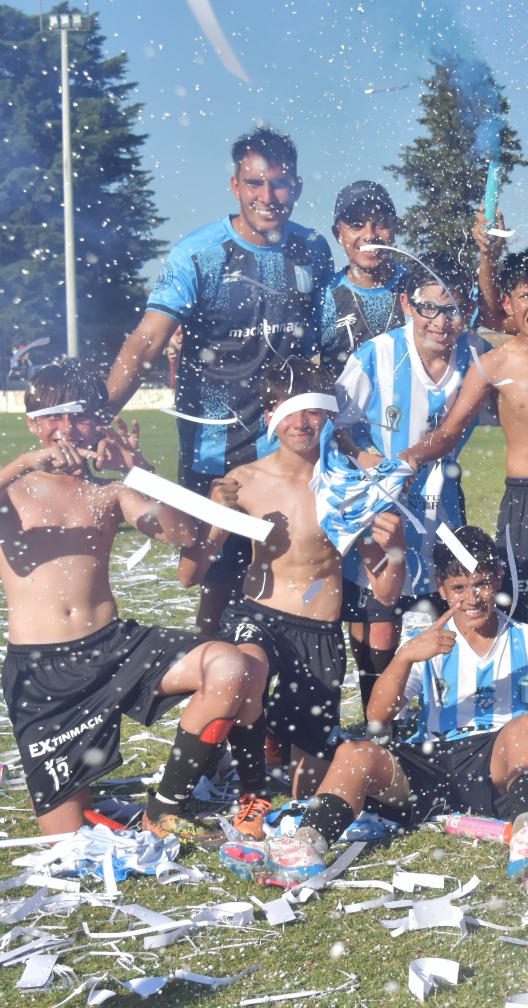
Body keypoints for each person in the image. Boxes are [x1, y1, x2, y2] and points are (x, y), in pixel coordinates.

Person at [0, 363, 266, 840]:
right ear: (31, 422)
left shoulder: (110, 491)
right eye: (52, 417)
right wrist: (22, 463)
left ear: (100, 424)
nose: (65, 431)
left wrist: (138, 471)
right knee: (65, 839)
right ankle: (79, 796)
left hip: (111, 647)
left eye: (81, 418)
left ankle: (165, 808)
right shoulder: (11, 488)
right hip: (42, 671)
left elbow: (185, 534)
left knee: (230, 666)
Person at [218, 527, 528, 885]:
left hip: (497, 771)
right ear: (441, 587)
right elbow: (377, 715)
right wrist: (406, 656)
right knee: (354, 753)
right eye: (459, 588)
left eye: (481, 584)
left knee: (526, 726)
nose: (472, 598)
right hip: (433, 764)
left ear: (498, 579)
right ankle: (306, 847)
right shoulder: (422, 642)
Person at [105, 127, 334, 634]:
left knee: (302, 569)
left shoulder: (313, 250)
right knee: (218, 579)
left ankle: (285, 693)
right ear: (235, 186)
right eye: (255, 184)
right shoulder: (198, 254)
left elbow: (326, 348)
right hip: (217, 447)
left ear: (296, 186)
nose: (267, 197)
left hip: (293, 444)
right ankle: (219, 694)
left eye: (278, 184)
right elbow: (146, 341)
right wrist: (99, 416)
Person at [178, 361, 404, 837]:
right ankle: (246, 791)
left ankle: (274, 745)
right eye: (289, 413)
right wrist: (215, 522)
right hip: (257, 615)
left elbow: (384, 590)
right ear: (269, 417)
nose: (301, 424)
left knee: (307, 790)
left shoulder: (348, 488)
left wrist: (393, 551)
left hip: (318, 633)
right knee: (246, 669)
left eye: (314, 413)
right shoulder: (244, 480)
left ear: (330, 418)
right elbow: (188, 574)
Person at [395, 246, 528, 702]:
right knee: (526, 615)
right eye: (526, 294)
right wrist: (410, 457)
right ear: (509, 305)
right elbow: (450, 431)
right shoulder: (493, 365)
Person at [334, 253, 490, 716]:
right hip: (379, 509)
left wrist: (486, 257)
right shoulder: (377, 354)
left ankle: (424, 722)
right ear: (407, 304)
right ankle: (377, 718)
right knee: (372, 621)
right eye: (430, 308)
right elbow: (336, 425)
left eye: (454, 310)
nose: (441, 322)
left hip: (442, 509)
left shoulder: (478, 354)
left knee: (432, 613)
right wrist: (371, 461)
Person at [317, 180, 408, 377]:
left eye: (381, 224)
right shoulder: (325, 297)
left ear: (396, 228)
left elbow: (485, 316)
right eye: (356, 224)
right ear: (338, 234)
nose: (369, 234)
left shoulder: (417, 282)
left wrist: (487, 255)